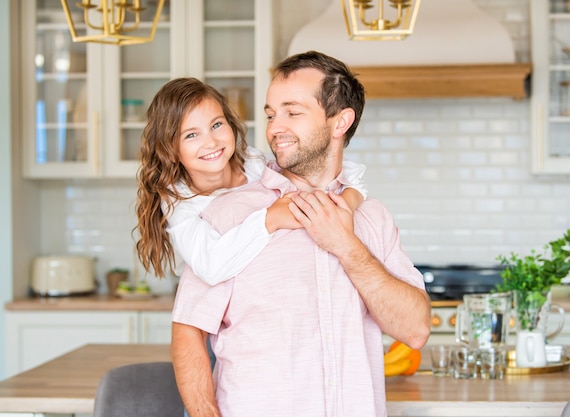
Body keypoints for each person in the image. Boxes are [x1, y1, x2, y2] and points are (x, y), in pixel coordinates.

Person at [171, 51, 431, 417]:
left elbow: (415, 330)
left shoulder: (371, 217)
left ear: (340, 122)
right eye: (271, 114)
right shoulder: (229, 212)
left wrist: (346, 246)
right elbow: (188, 332)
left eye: (292, 113)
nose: (275, 127)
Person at [134, 77, 366, 285]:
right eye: (191, 135)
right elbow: (211, 268)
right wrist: (270, 218)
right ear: (171, 150)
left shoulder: (254, 163)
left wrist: (348, 200)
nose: (211, 142)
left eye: (216, 125)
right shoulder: (178, 198)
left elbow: (339, 171)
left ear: (231, 125)